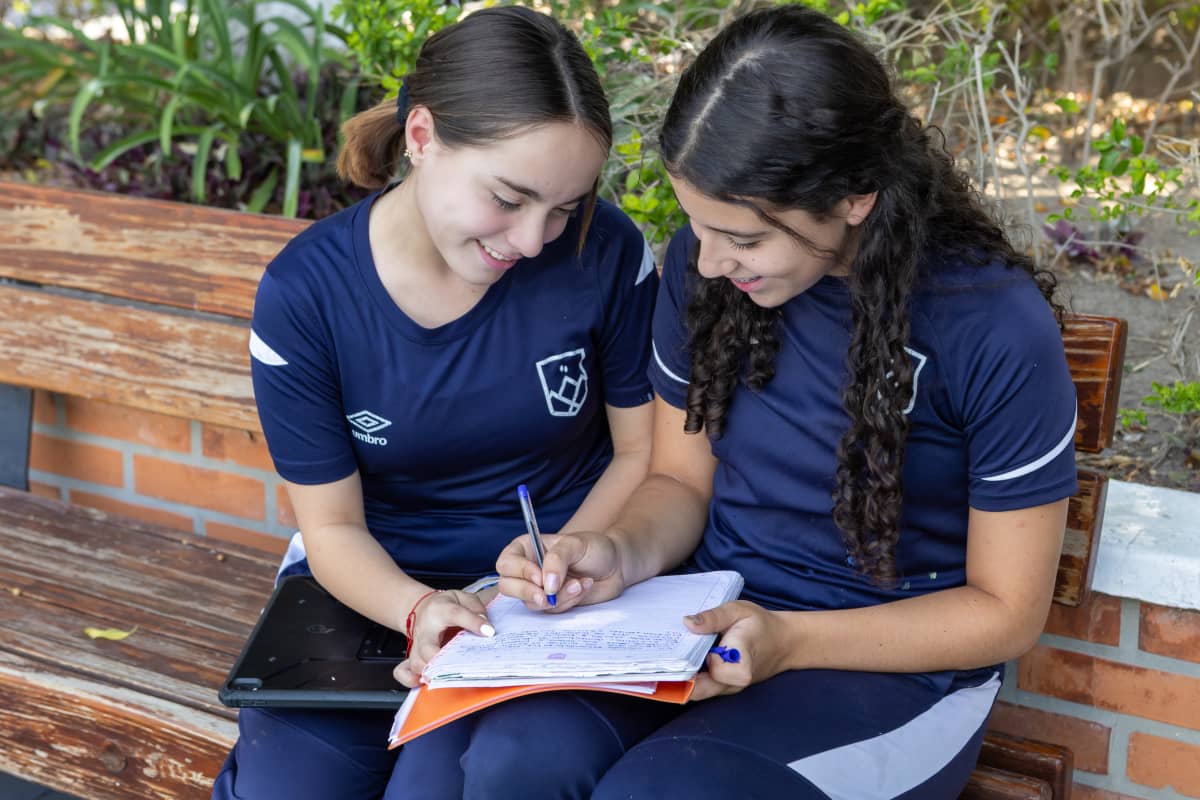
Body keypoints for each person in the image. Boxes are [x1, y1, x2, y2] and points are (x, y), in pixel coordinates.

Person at [496, 6, 1078, 798]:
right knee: (516, 758)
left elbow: (1007, 612)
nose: (709, 257)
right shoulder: (707, 276)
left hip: (899, 673)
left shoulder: (992, 325)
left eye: (742, 236)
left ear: (853, 197)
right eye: (698, 226)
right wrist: (617, 554)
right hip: (710, 623)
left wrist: (793, 639)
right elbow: (679, 481)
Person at [210, 6, 662, 799]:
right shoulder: (307, 295)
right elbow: (332, 527)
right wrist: (421, 611)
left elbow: (641, 454)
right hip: (374, 587)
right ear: (421, 137)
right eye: (509, 198)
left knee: (441, 783)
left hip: (561, 587)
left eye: (561, 208)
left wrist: (559, 565)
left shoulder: (604, 252)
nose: (532, 241)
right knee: (290, 788)